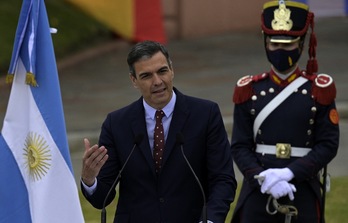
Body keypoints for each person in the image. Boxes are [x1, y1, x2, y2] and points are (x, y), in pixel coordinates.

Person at [80, 40, 237, 222]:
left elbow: (223, 179)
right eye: (146, 76)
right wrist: (89, 180)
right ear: (134, 80)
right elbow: (102, 198)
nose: (157, 81)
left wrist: (210, 220)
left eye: (162, 71)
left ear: (172, 70)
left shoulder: (205, 114)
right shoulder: (116, 123)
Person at [230, 1, 339, 223]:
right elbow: (240, 145)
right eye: (274, 44)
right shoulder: (249, 90)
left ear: (301, 45)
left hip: (303, 186)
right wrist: (262, 177)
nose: (281, 50)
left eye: (288, 45)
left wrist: (289, 174)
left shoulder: (318, 89)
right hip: (258, 188)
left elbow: (328, 144)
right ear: (265, 43)